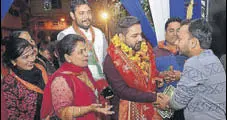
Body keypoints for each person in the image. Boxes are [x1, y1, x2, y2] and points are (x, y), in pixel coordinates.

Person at [155, 19, 226, 120]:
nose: (176, 43)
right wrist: (182, 76)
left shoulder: (194, 62)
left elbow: (177, 103)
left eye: (180, 39)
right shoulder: (212, 58)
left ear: (193, 43)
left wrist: (167, 101)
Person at [103, 16, 164, 120]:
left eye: (140, 34)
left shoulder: (144, 49)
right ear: (121, 37)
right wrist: (153, 97)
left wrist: (155, 79)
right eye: (134, 36)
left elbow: (147, 73)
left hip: (150, 107)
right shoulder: (111, 60)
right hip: (126, 110)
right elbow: (122, 91)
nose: (140, 39)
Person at [41, 34, 114, 120]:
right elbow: (63, 112)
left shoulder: (84, 69)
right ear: (68, 58)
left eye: (85, 50)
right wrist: (89, 109)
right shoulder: (61, 79)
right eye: (80, 52)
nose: (86, 54)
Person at [57, 0, 109, 94]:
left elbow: (106, 60)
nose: (86, 17)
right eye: (81, 13)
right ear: (73, 15)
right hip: (79, 87)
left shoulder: (99, 33)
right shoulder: (65, 35)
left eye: (89, 12)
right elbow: (63, 67)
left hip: (102, 85)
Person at [1, 37, 48, 119]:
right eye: (25, 57)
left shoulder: (40, 68)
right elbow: (11, 116)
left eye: (32, 54)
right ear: (13, 61)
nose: (32, 59)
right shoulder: (9, 83)